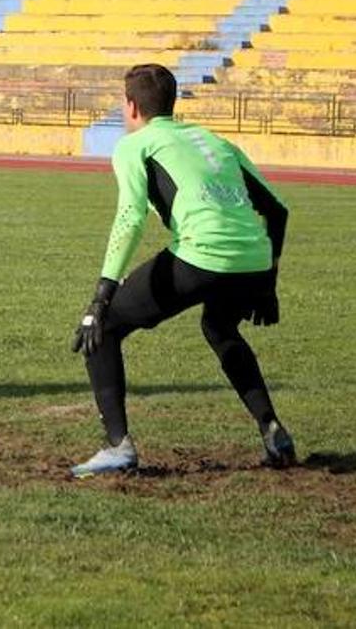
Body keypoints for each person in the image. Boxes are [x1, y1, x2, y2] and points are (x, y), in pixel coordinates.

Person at [69, 63, 295, 477]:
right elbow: (277, 210)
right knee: (220, 328)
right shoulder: (214, 139)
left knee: (104, 330)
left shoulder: (136, 144)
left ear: (132, 106)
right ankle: (272, 429)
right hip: (253, 261)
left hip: (202, 255)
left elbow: (130, 217)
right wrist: (268, 284)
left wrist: (100, 297)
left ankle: (118, 447)